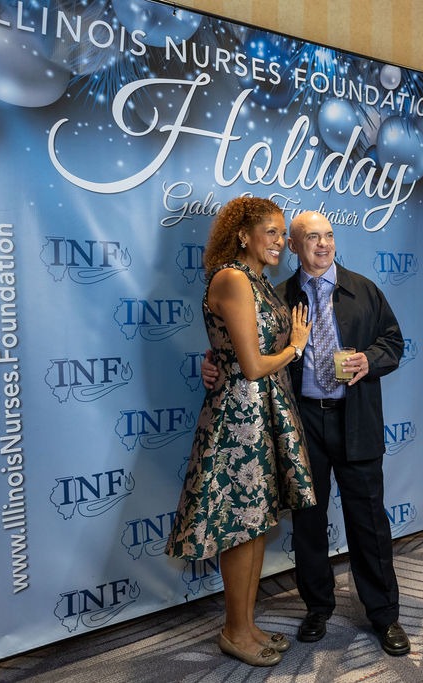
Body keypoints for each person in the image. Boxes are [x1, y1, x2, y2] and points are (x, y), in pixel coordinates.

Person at [202, 210, 409, 656]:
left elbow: (394, 341)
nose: (323, 244)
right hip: (301, 422)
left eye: (328, 235)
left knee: (369, 521)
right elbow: (242, 343)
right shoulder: (276, 296)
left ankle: (384, 615)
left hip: (355, 418)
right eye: (311, 237)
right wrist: (213, 362)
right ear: (294, 247)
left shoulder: (364, 290)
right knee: (309, 523)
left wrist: (370, 359)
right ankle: (318, 607)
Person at [167, 196, 316, 667]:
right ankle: (234, 631)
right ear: (243, 235)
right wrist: (295, 347)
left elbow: (233, 348)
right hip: (239, 421)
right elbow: (251, 366)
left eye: (282, 233)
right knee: (239, 528)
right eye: (271, 232)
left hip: (261, 413)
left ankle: (245, 626)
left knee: (255, 526)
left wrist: (218, 358)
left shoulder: (258, 280)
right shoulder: (232, 278)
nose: (280, 242)